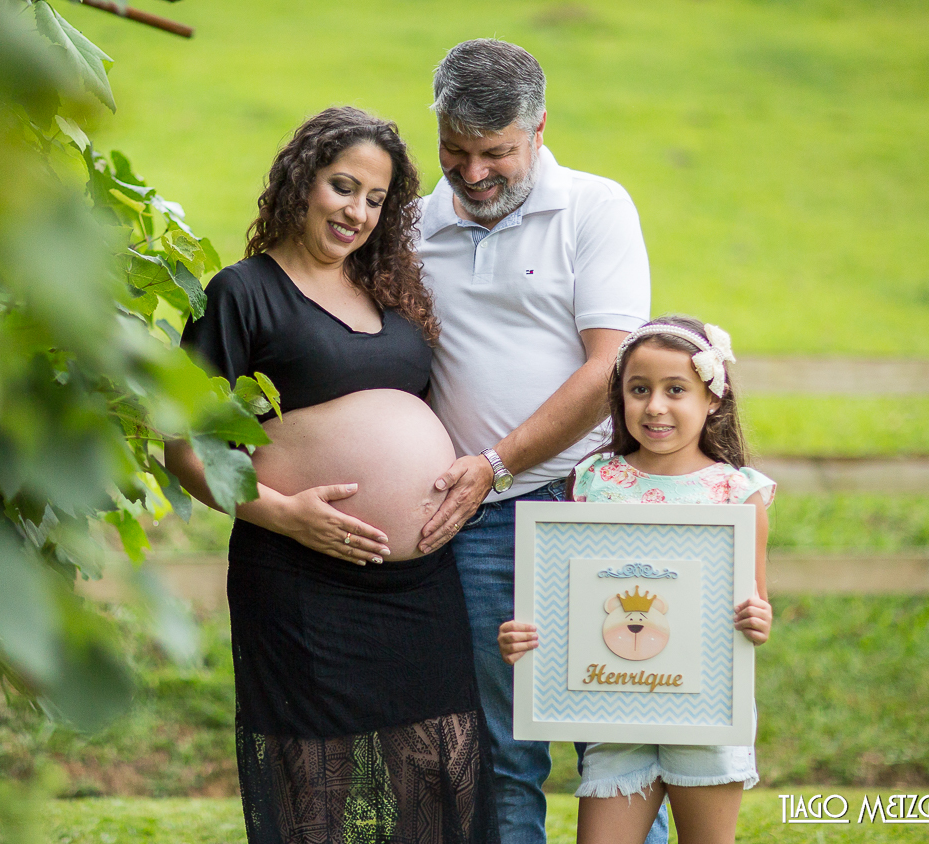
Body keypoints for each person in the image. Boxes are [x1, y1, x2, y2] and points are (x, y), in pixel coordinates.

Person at [166, 106, 499, 844]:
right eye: (343, 188)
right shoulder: (241, 293)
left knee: (440, 776)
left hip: (419, 584)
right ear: (300, 182)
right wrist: (283, 514)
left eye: (376, 199)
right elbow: (183, 446)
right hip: (299, 576)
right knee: (314, 790)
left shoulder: (388, 290)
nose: (357, 212)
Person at [413, 39, 666, 844]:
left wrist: (496, 463)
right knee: (498, 753)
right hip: (475, 525)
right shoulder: (413, 226)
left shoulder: (595, 208)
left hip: (589, 509)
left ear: (540, 128)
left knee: (616, 747)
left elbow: (610, 367)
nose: (474, 172)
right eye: (455, 150)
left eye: (496, 152)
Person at [498, 315, 775, 844]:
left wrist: (757, 620)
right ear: (620, 397)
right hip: (614, 710)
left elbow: (756, 606)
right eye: (639, 389)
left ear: (713, 397)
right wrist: (527, 637)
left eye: (676, 389)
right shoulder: (595, 481)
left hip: (706, 712)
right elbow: (569, 597)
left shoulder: (736, 493)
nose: (655, 406)